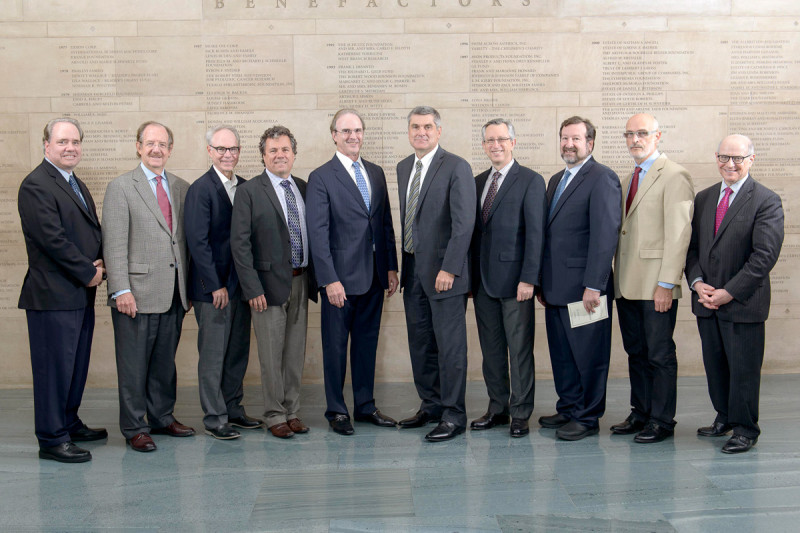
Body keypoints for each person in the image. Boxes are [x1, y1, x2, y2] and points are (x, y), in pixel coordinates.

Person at [685, 134, 783, 454]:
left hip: (742, 303)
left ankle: (745, 429)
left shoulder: (766, 200)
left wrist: (729, 292)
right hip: (706, 301)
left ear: (751, 160)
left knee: (743, 369)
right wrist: (698, 283)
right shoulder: (704, 197)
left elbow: (763, 257)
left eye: (738, 158)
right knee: (715, 366)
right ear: (716, 158)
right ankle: (724, 417)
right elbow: (694, 249)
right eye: (724, 157)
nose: (730, 164)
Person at [18, 118, 106, 463]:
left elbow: (87, 232)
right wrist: (88, 271)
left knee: (75, 364)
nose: (70, 147)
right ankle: (53, 438)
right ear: (46, 146)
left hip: (78, 293)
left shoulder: (74, 182)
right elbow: (52, 240)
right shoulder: (36, 185)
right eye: (62, 142)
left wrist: (99, 265)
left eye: (75, 142)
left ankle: (68, 422)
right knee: (54, 369)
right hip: (52, 295)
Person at [307, 109, 399, 436]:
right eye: (345, 131)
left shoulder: (374, 172)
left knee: (366, 344)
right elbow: (317, 234)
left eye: (358, 130)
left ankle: (365, 406)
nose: (353, 136)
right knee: (335, 347)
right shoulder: (321, 177)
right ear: (333, 134)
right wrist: (329, 279)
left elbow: (384, 223)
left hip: (374, 277)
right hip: (340, 282)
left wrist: (391, 267)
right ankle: (336, 410)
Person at [103, 121, 194, 452]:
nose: (157, 149)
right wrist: (120, 289)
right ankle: (134, 426)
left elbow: (183, 242)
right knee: (133, 365)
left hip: (173, 293)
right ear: (138, 146)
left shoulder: (182, 188)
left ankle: (162, 416)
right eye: (150, 143)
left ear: (170, 149)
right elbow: (113, 244)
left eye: (163, 144)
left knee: (164, 363)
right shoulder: (121, 187)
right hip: (135, 295)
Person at [610, 113, 695, 444]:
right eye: (629, 133)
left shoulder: (674, 175)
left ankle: (661, 420)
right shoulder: (628, 178)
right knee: (636, 352)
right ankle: (641, 412)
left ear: (658, 137)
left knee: (659, 354)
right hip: (628, 284)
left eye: (642, 133)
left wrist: (667, 283)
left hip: (656, 285)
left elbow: (679, 235)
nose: (635, 139)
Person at [537, 116, 621, 441]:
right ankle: (569, 406)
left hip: (587, 290)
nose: (569, 144)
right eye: (564, 138)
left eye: (576, 138)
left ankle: (587, 417)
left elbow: (605, 236)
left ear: (590, 143)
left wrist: (594, 286)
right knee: (562, 354)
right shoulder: (556, 179)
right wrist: (543, 282)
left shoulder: (602, 178)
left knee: (589, 355)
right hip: (557, 287)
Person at [231, 126, 317, 439]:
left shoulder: (305, 188)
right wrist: (252, 288)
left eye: (285, 150)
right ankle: (274, 413)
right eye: (273, 151)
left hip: (301, 280)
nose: (280, 155)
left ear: (294, 154)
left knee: (294, 352)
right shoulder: (250, 191)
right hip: (266, 287)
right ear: (264, 156)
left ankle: (292, 410)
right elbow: (240, 244)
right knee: (270, 354)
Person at [396, 106, 476, 442]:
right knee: (421, 342)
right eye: (415, 127)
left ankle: (454, 414)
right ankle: (430, 404)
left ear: (439, 131)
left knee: (450, 346)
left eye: (428, 127)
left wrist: (450, 268)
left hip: (445, 273)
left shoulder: (456, 166)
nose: (421, 132)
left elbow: (464, 223)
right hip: (413, 269)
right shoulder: (404, 168)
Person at [184, 125, 263, 440]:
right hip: (213, 290)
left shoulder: (245, 187)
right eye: (221, 149)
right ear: (209, 151)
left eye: (233, 149)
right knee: (214, 354)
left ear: (239, 152)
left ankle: (233, 409)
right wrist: (213, 283)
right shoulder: (200, 189)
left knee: (236, 352)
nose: (228, 155)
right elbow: (197, 242)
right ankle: (215, 416)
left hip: (240, 287)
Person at [469, 118, 547, 438]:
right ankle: (497, 407)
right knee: (491, 350)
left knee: (518, 350)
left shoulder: (530, 180)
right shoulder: (477, 182)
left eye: (502, 139)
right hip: (483, 283)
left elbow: (536, 233)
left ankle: (520, 412)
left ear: (513, 142)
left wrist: (529, 278)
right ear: (484, 145)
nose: (495, 145)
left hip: (517, 283)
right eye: (489, 140)